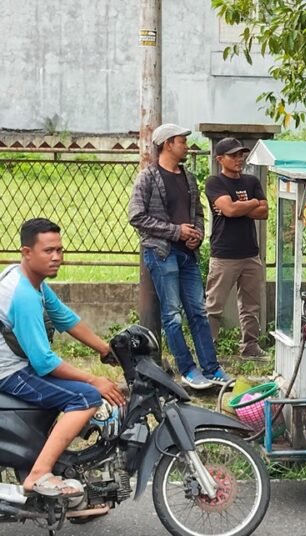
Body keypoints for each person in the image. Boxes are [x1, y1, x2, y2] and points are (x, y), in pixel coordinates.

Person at [0, 219, 125, 497]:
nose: (56, 257)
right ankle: (39, 475)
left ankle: (59, 468)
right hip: (9, 372)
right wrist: (95, 380)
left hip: (17, 364)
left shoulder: (31, 281)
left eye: (59, 249)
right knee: (85, 397)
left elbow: (64, 318)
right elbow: (44, 362)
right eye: (48, 251)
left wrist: (106, 350)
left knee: (78, 390)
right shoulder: (24, 296)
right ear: (27, 252)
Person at [128, 123, 232, 390]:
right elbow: (136, 216)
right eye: (181, 141)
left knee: (199, 311)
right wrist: (176, 231)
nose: (186, 145)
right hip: (162, 253)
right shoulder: (148, 177)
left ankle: (212, 369)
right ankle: (188, 369)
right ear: (167, 144)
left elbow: (197, 211)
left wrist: (197, 232)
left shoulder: (187, 177)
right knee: (172, 314)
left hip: (188, 253)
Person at [204, 138, 269, 361]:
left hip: (250, 252)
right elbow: (229, 210)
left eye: (241, 155)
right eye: (233, 156)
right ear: (220, 159)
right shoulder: (214, 182)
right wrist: (251, 203)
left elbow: (265, 212)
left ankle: (250, 346)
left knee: (251, 305)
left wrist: (241, 206)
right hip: (224, 253)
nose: (239, 159)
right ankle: (207, 348)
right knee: (214, 305)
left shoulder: (251, 181)